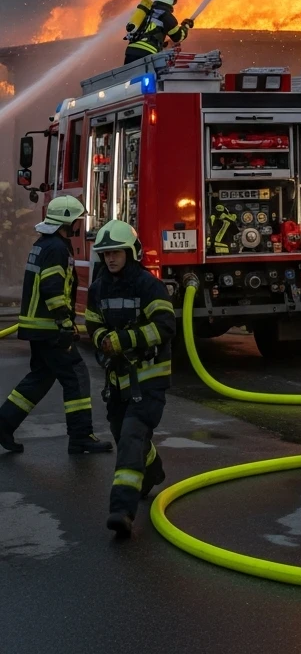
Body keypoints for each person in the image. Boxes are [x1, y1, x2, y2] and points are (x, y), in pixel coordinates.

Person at [84, 219, 176, 539]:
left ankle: (122, 511)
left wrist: (123, 340)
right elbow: (92, 325)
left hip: (149, 380)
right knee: (126, 437)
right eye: (106, 253)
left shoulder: (149, 286)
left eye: (116, 253)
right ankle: (153, 471)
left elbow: (165, 326)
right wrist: (102, 341)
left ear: (131, 253)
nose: (110, 259)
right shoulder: (98, 288)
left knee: (132, 436)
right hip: (117, 382)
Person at [0, 196, 112, 455]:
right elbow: (52, 289)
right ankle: (81, 436)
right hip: (49, 329)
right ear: (68, 222)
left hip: (37, 327)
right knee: (77, 376)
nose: (78, 225)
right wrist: (65, 323)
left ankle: (4, 423)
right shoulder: (57, 249)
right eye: (76, 220)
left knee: (41, 377)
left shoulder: (44, 244)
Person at [123, 0, 193, 65]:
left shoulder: (146, 10)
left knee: (128, 75)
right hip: (148, 53)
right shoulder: (168, 18)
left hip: (131, 50)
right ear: (172, 1)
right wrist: (185, 26)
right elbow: (178, 37)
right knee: (145, 75)